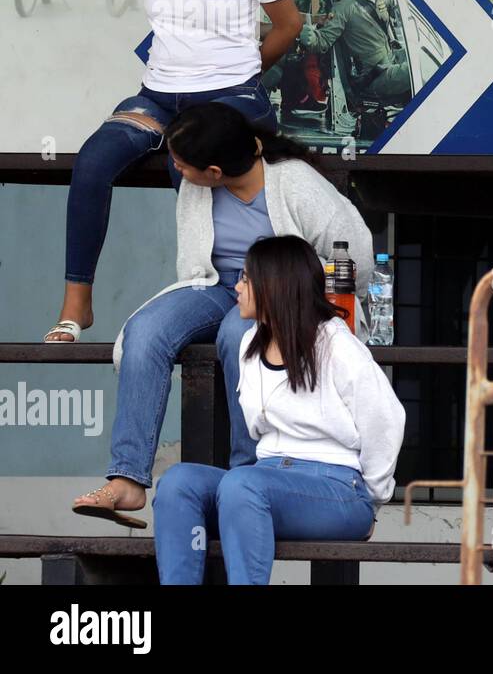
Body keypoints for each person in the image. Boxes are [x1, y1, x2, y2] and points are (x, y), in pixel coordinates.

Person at [44, 0, 302, 345]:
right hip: (159, 93)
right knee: (95, 159)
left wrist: (243, 75)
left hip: (228, 95)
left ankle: (210, 293)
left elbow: (289, 24)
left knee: (182, 163)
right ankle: (77, 303)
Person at [70, 104, 374, 528]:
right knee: (146, 332)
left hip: (278, 293)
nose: (173, 167)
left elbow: (356, 258)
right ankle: (129, 478)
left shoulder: (294, 183)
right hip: (212, 283)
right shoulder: (200, 182)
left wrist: (292, 290)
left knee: (239, 333)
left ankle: (249, 471)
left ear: (214, 171)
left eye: (181, 163)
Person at [152, 235, 404, 584]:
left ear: (273, 286)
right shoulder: (249, 346)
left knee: (243, 484)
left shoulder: (336, 345)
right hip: (267, 478)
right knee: (178, 483)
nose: (236, 287)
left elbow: (386, 419)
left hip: (337, 490)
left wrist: (373, 500)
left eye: (245, 278)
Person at [296, 0, 412, 107]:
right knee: (416, 73)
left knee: (425, 61)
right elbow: (322, 42)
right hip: (373, 77)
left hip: (391, 58)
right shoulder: (344, 6)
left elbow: (400, 14)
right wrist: (310, 38)